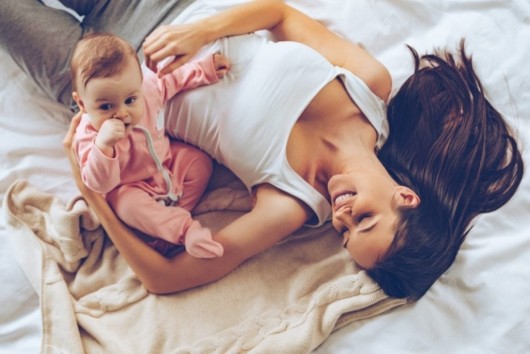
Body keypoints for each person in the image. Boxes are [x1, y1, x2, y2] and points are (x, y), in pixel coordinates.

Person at [2, 0, 523, 300]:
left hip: (100, 87)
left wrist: (93, 195)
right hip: (170, 7)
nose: (340, 216)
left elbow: (165, 278)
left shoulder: (290, 204)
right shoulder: (369, 86)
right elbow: (278, 14)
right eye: (362, 218)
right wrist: (202, 29)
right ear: (405, 196)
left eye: (343, 233)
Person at [70, 32, 229, 258]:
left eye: (130, 101)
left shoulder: (148, 91)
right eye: (106, 107)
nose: (122, 113)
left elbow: (172, 80)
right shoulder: (87, 136)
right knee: (127, 207)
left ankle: (175, 216)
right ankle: (185, 230)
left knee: (199, 162)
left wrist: (205, 69)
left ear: (140, 84)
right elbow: (100, 185)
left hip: (166, 163)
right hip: (128, 185)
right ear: (82, 103)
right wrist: (104, 146)